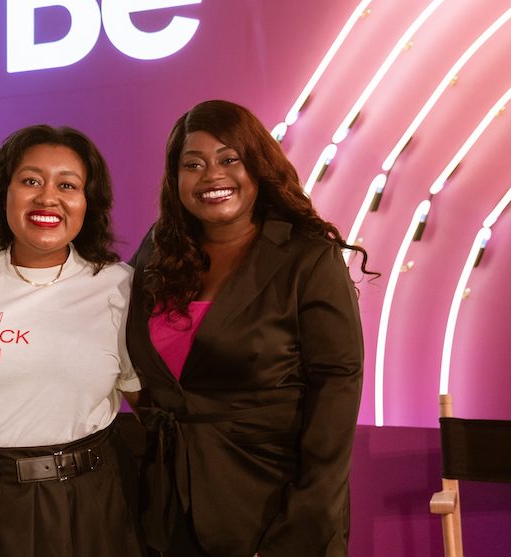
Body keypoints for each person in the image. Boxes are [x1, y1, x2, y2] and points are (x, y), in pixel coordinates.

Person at [127, 99, 367, 556]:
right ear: (175, 180)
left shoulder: (307, 257)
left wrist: (303, 522)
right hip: (167, 511)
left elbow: (336, 394)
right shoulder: (157, 253)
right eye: (192, 164)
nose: (211, 174)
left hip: (273, 511)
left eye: (229, 159)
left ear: (256, 165)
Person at [0, 124, 143, 557]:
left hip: (85, 502)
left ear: (88, 202)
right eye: (30, 181)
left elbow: (150, 405)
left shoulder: (118, 287)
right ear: (2, 193)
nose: (48, 197)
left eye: (68, 185)